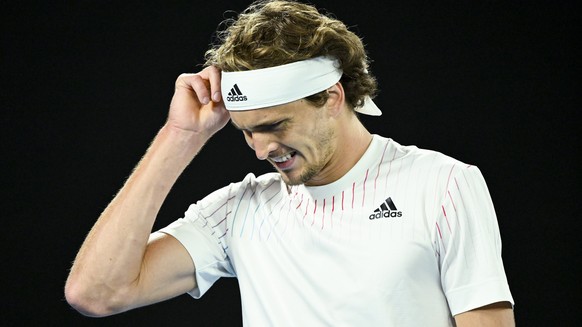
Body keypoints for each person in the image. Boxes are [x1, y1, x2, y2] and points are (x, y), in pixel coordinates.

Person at [65, 0, 515, 325]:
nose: (261, 150)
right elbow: (97, 292)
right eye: (246, 131)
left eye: (276, 125)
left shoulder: (444, 183)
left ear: (333, 98)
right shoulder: (240, 209)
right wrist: (180, 136)